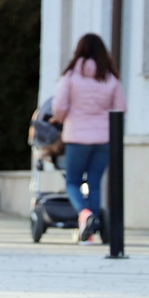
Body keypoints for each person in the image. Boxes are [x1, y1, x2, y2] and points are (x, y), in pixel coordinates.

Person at [52, 33, 127, 243]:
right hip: (104, 139)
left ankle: (85, 215)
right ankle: (90, 232)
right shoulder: (110, 78)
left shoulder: (70, 77)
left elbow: (59, 106)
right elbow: (121, 109)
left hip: (77, 137)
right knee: (94, 183)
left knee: (73, 182)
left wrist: (60, 118)